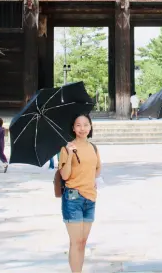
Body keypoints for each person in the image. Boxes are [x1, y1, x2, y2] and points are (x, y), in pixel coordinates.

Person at [59, 114, 102, 273]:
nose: (82, 128)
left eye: (86, 125)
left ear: (90, 127)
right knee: (76, 242)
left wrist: (90, 178)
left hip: (90, 198)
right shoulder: (66, 148)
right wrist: (70, 155)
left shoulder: (93, 148)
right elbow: (64, 175)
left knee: (83, 242)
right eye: (78, 125)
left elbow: (97, 169)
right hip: (73, 198)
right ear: (73, 128)